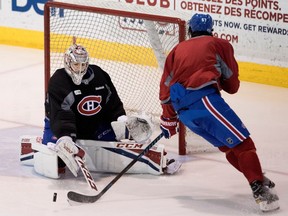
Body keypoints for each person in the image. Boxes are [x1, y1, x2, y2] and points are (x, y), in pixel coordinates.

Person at [159, 13, 279, 212]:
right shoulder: (219, 44)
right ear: (211, 30)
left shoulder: (177, 49)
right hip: (205, 102)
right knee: (244, 145)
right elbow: (232, 85)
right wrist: (219, 81)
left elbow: (165, 89)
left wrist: (168, 119)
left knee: (229, 148)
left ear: (190, 30)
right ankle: (259, 189)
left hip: (185, 114)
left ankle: (255, 176)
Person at [19, 41, 181, 179]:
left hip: (94, 125)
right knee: (58, 159)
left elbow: (112, 102)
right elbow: (60, 114)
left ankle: (138, 144)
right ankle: (50, 144)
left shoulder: (98, 75)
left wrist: (121, 119)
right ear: (68, 63)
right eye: (76, 64)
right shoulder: (59, 81)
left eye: (83, 64)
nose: (80, 68)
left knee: (115, 143)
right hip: (61, 126)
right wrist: (65, 137)